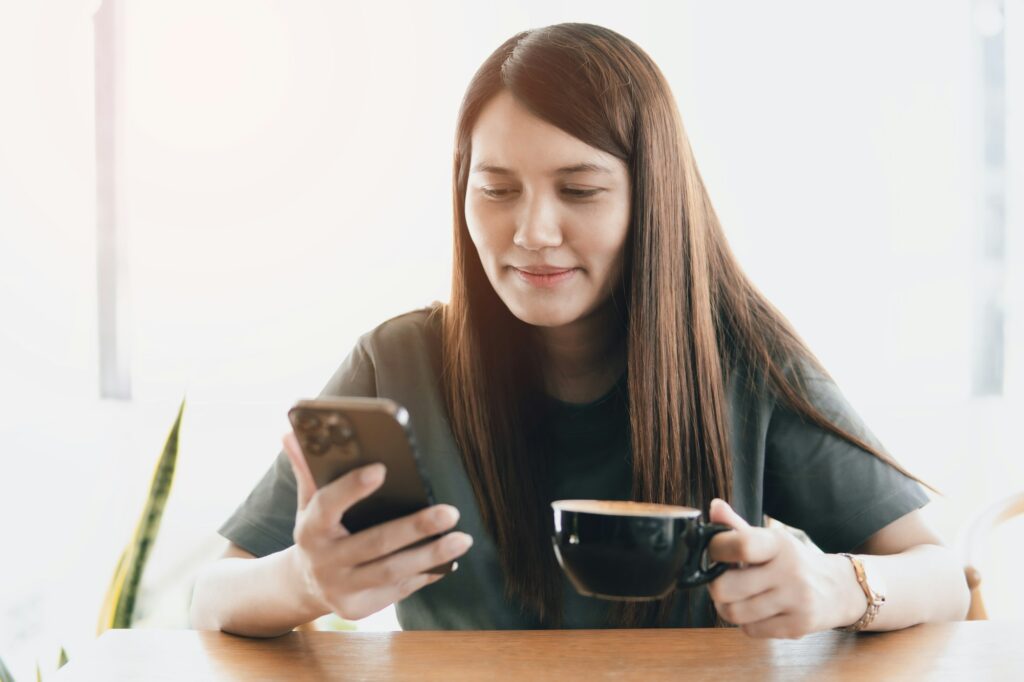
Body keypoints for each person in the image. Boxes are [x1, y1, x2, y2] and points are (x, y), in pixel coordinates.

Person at [189, 22, 969, 638]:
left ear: (650, 199)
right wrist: (306, 582)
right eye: (496, 189)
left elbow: (940, 577)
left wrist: (838, 587)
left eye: (580, 190)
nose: (532, 231)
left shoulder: (744, 361)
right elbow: (211, 595)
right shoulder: (399, 362)